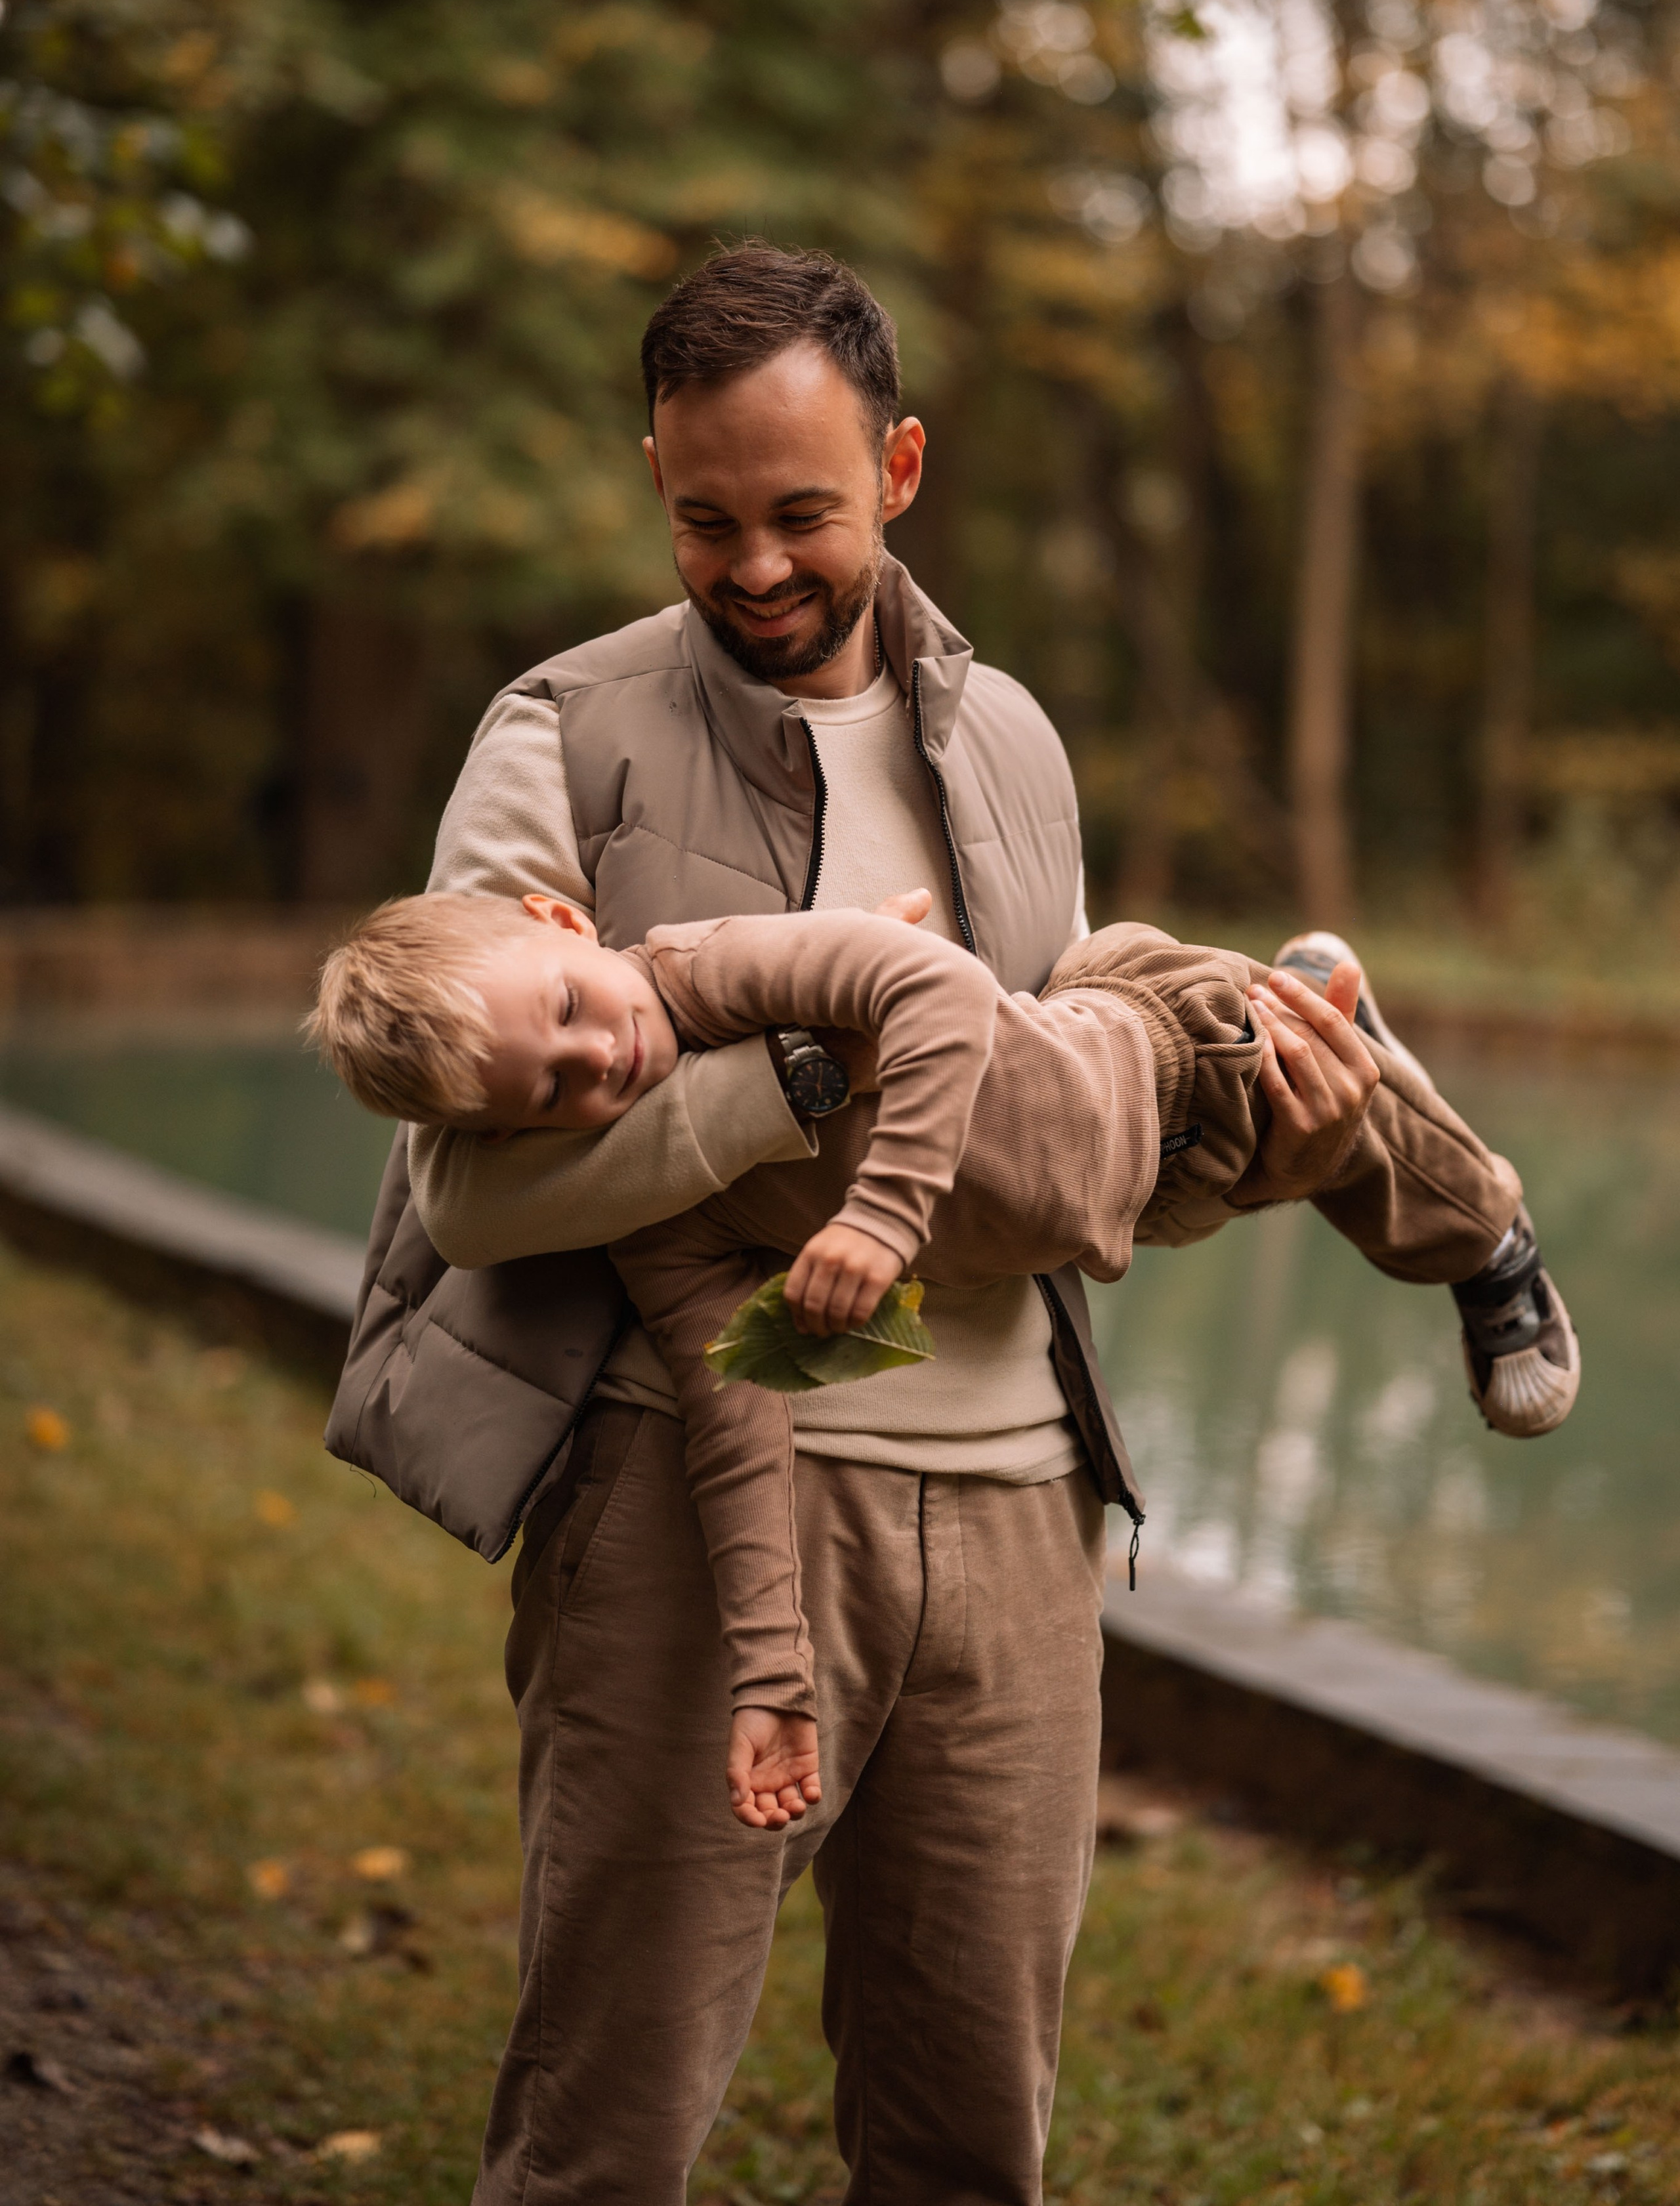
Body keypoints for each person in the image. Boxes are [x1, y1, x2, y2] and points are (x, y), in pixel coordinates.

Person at [325, 244, 1395, 2206]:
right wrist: (788, 1089)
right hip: (691, 1505)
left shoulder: (1018, 743)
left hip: (1019, 1519)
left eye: (801, 511)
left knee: (971, 2142)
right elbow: (468, 1179)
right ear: (655, 475)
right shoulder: (554, 733)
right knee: (606, 2135)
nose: (751, 565)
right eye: (703, 516)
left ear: (900, 467)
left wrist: (1258, 1144)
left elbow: (1047, 1138)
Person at [312, 885, 1578, 1837]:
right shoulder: (656, 1210)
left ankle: (1497, 1248)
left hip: (1167, 1037)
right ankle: (1328, 991)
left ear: (563, 919)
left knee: (1377, 1155)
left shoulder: (719, 964)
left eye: (571, 1011)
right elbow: (739, 1415)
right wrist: (770, 1669)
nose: (599, 1063)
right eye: (548, 1098)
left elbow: (933, 989)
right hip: (1141, 1180)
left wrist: (879, 1216)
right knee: (1304, 1137)